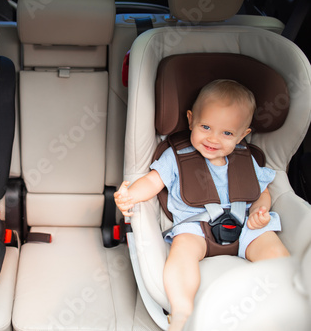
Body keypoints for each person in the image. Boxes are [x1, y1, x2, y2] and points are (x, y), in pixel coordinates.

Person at [114, 79, 289, 331]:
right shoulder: (176, 155)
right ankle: (182, 307)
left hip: (246, 225)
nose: (213, 139)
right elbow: (153, 182)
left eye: (227, 133)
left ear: (243, 135)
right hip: (195, 227)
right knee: (181, 252)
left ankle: (286, 298)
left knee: (272, 248)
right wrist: (129, 195)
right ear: (190, 119)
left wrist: (260, 212)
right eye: (205, 126)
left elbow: (261, 191)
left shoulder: (246, 158)